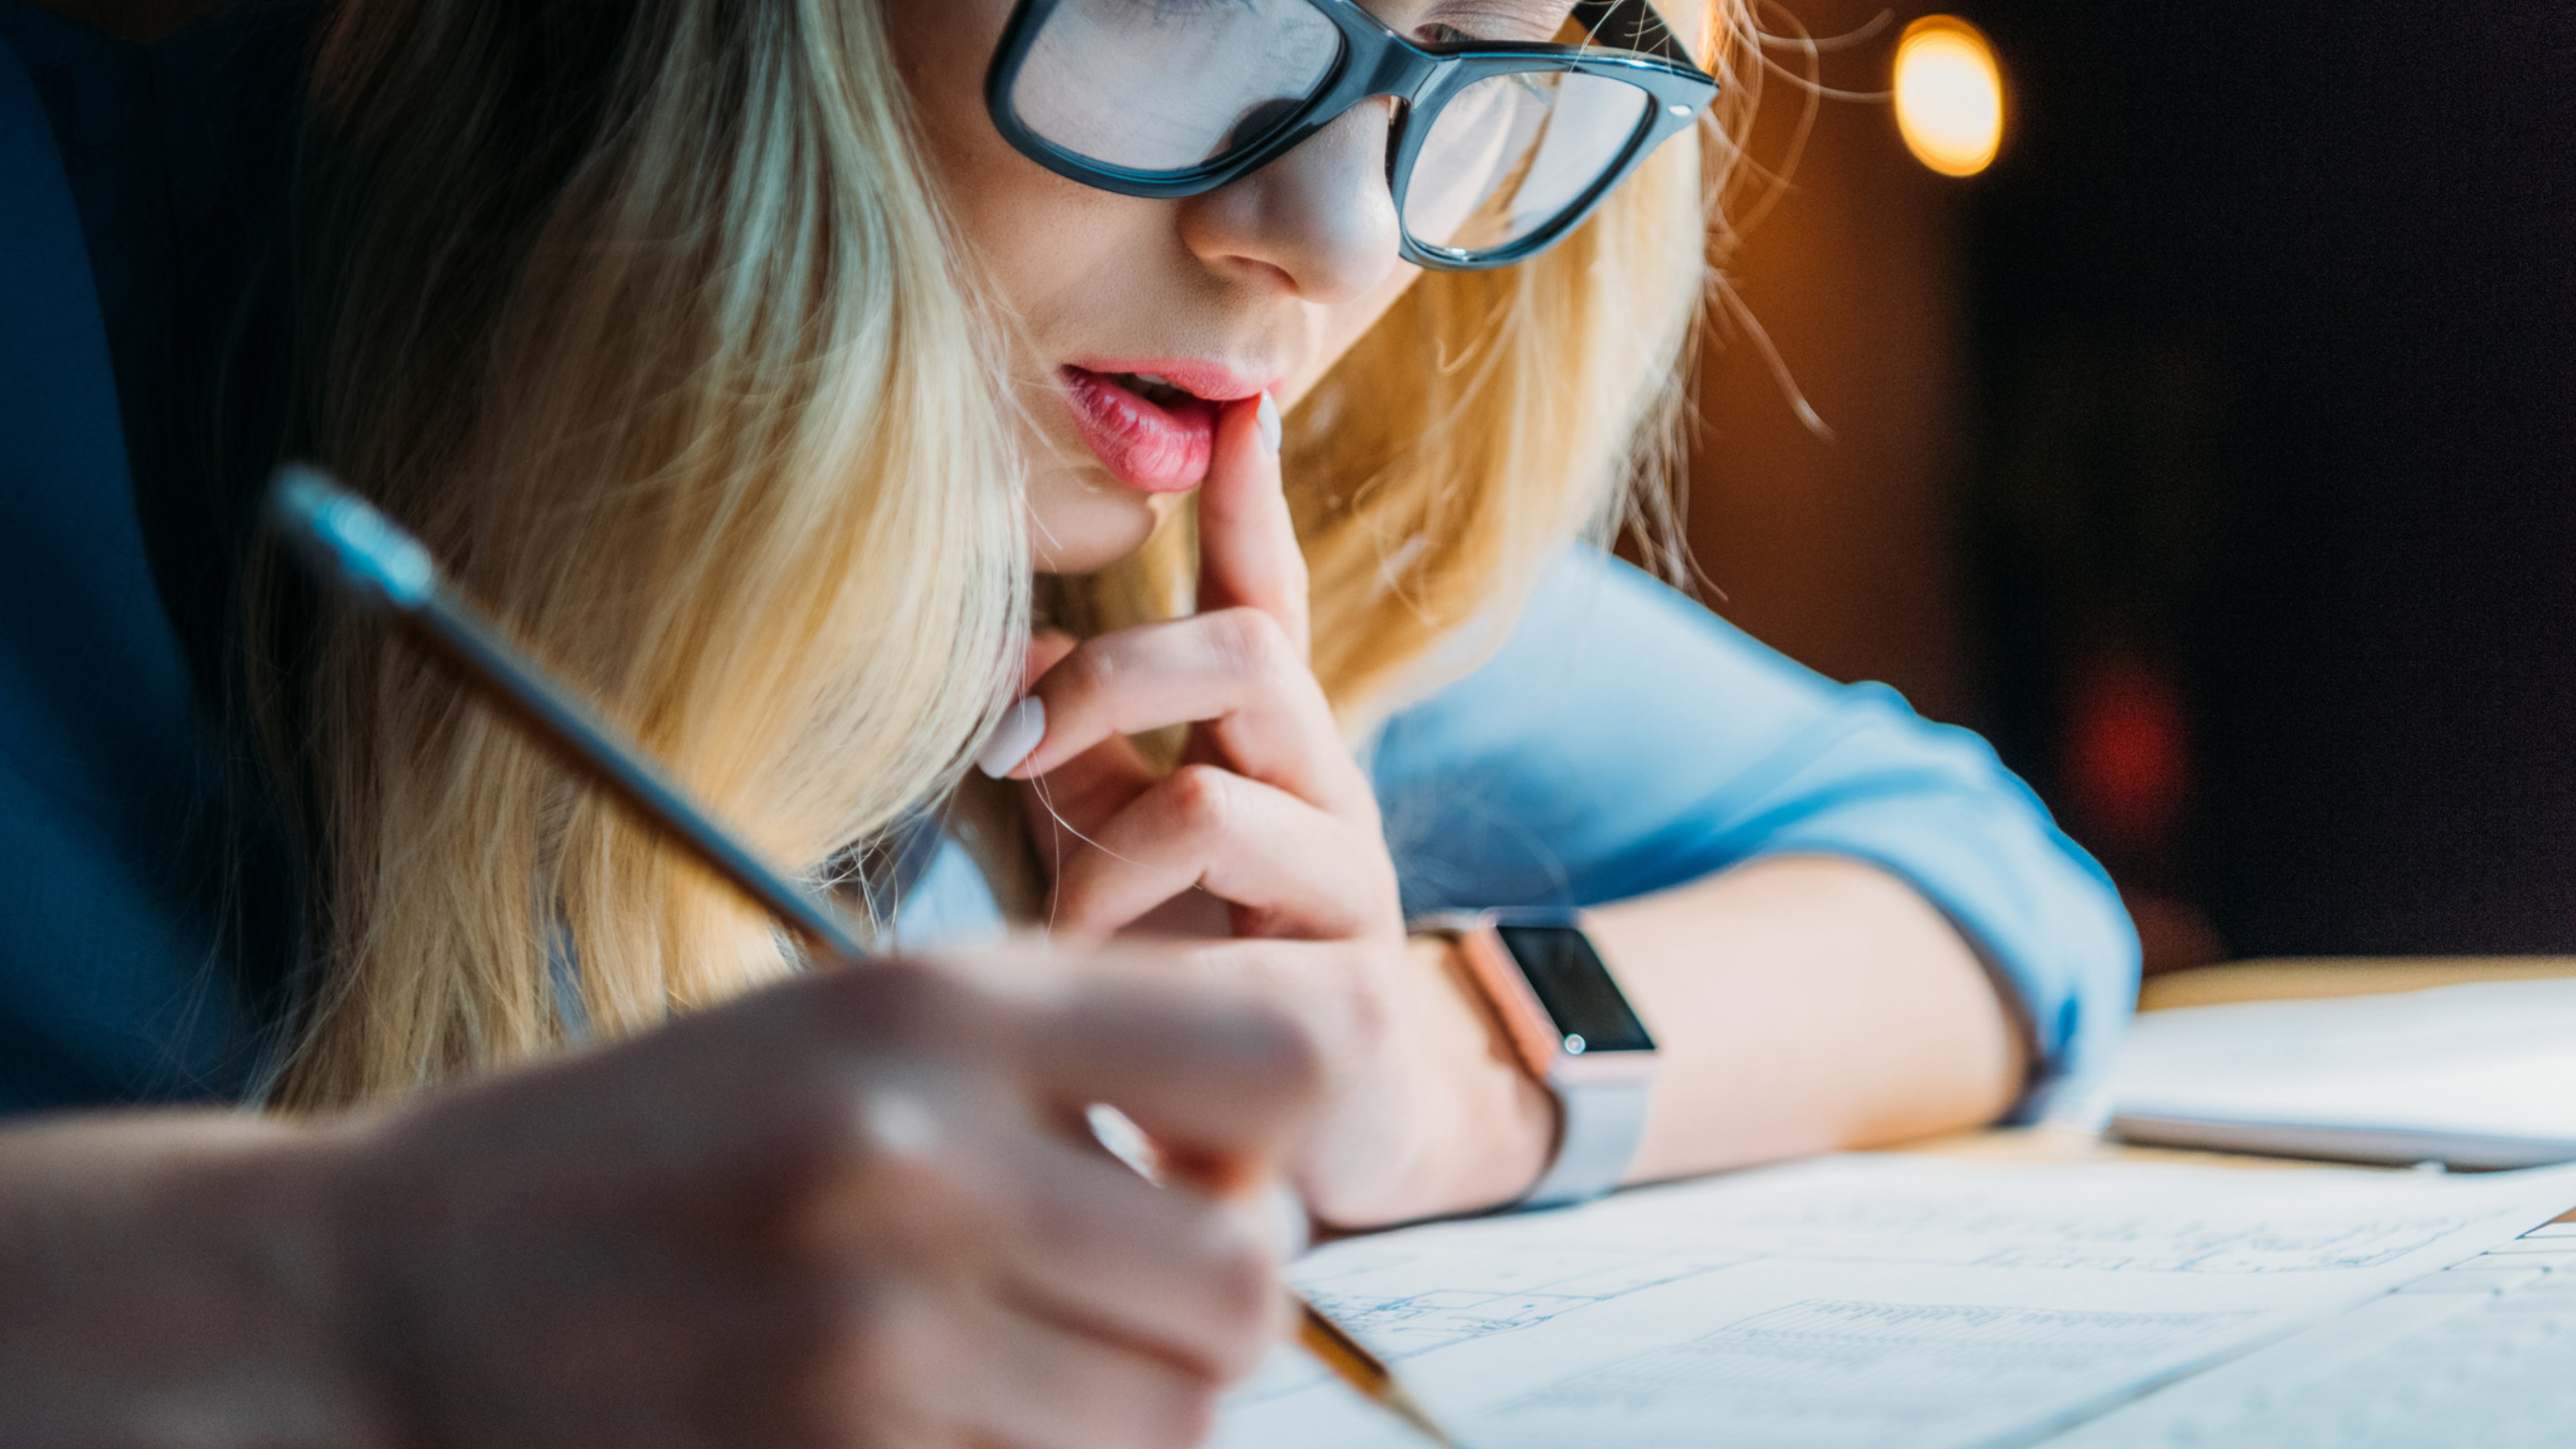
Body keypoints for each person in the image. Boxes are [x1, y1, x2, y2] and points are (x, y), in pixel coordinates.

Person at [0, 0, 2139, 1444]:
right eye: (1202, 1)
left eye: (1493, 63)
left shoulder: (1167, 545)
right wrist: (343, 1295)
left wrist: (1431, 1064)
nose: (1330, 236)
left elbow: (1981, 889)